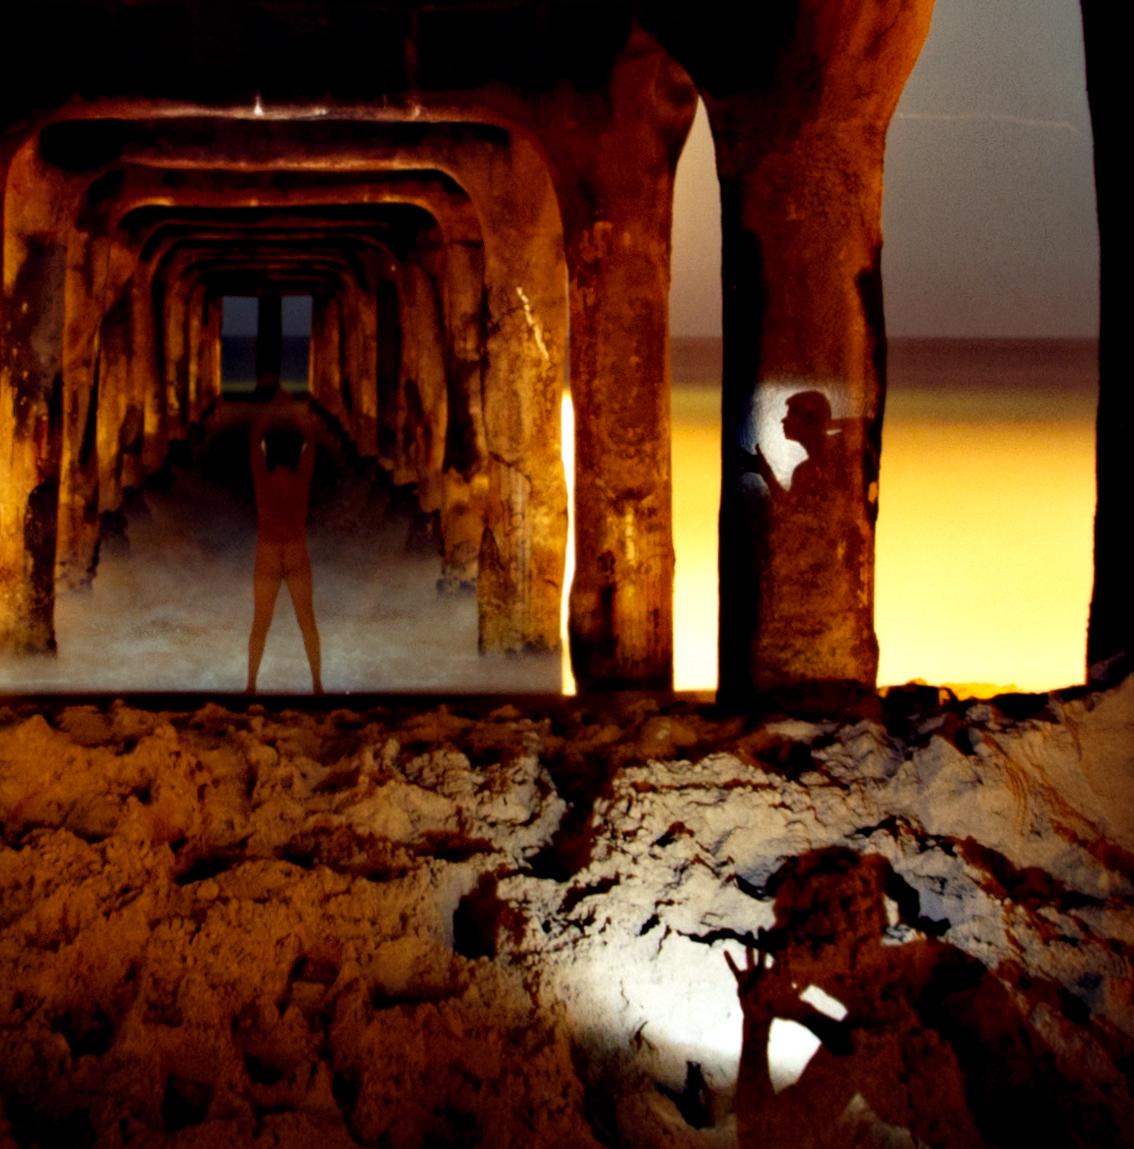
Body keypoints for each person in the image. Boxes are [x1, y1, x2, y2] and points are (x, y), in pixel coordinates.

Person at [247, 399, 323, 694]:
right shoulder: (299, 479)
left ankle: (251, 686)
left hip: (269, 552)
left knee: (260, 624)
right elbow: (312, 444)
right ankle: (317, 685)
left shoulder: (263, 480)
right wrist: (292, 410)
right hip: (294, 552)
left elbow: (255, 442)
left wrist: (271, 410)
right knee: (307, 622)